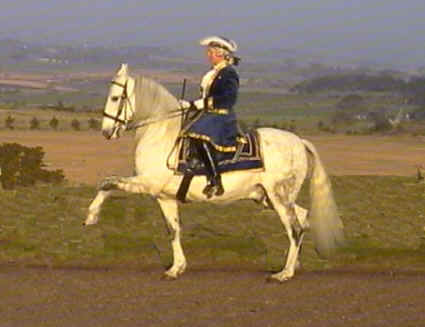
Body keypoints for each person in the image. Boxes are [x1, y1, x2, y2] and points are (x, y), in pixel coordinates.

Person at [179, 36, 241, 198]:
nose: (208, 55)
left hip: (222, 115)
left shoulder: (228, 73)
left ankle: (215, 180)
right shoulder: (214, 73)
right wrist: (191, 104)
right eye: (209, 52)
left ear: (220, 54)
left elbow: (228, 99)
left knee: (199, 135)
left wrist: (202, 104)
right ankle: (192, 162)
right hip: (209, 113)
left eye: (211, 53)